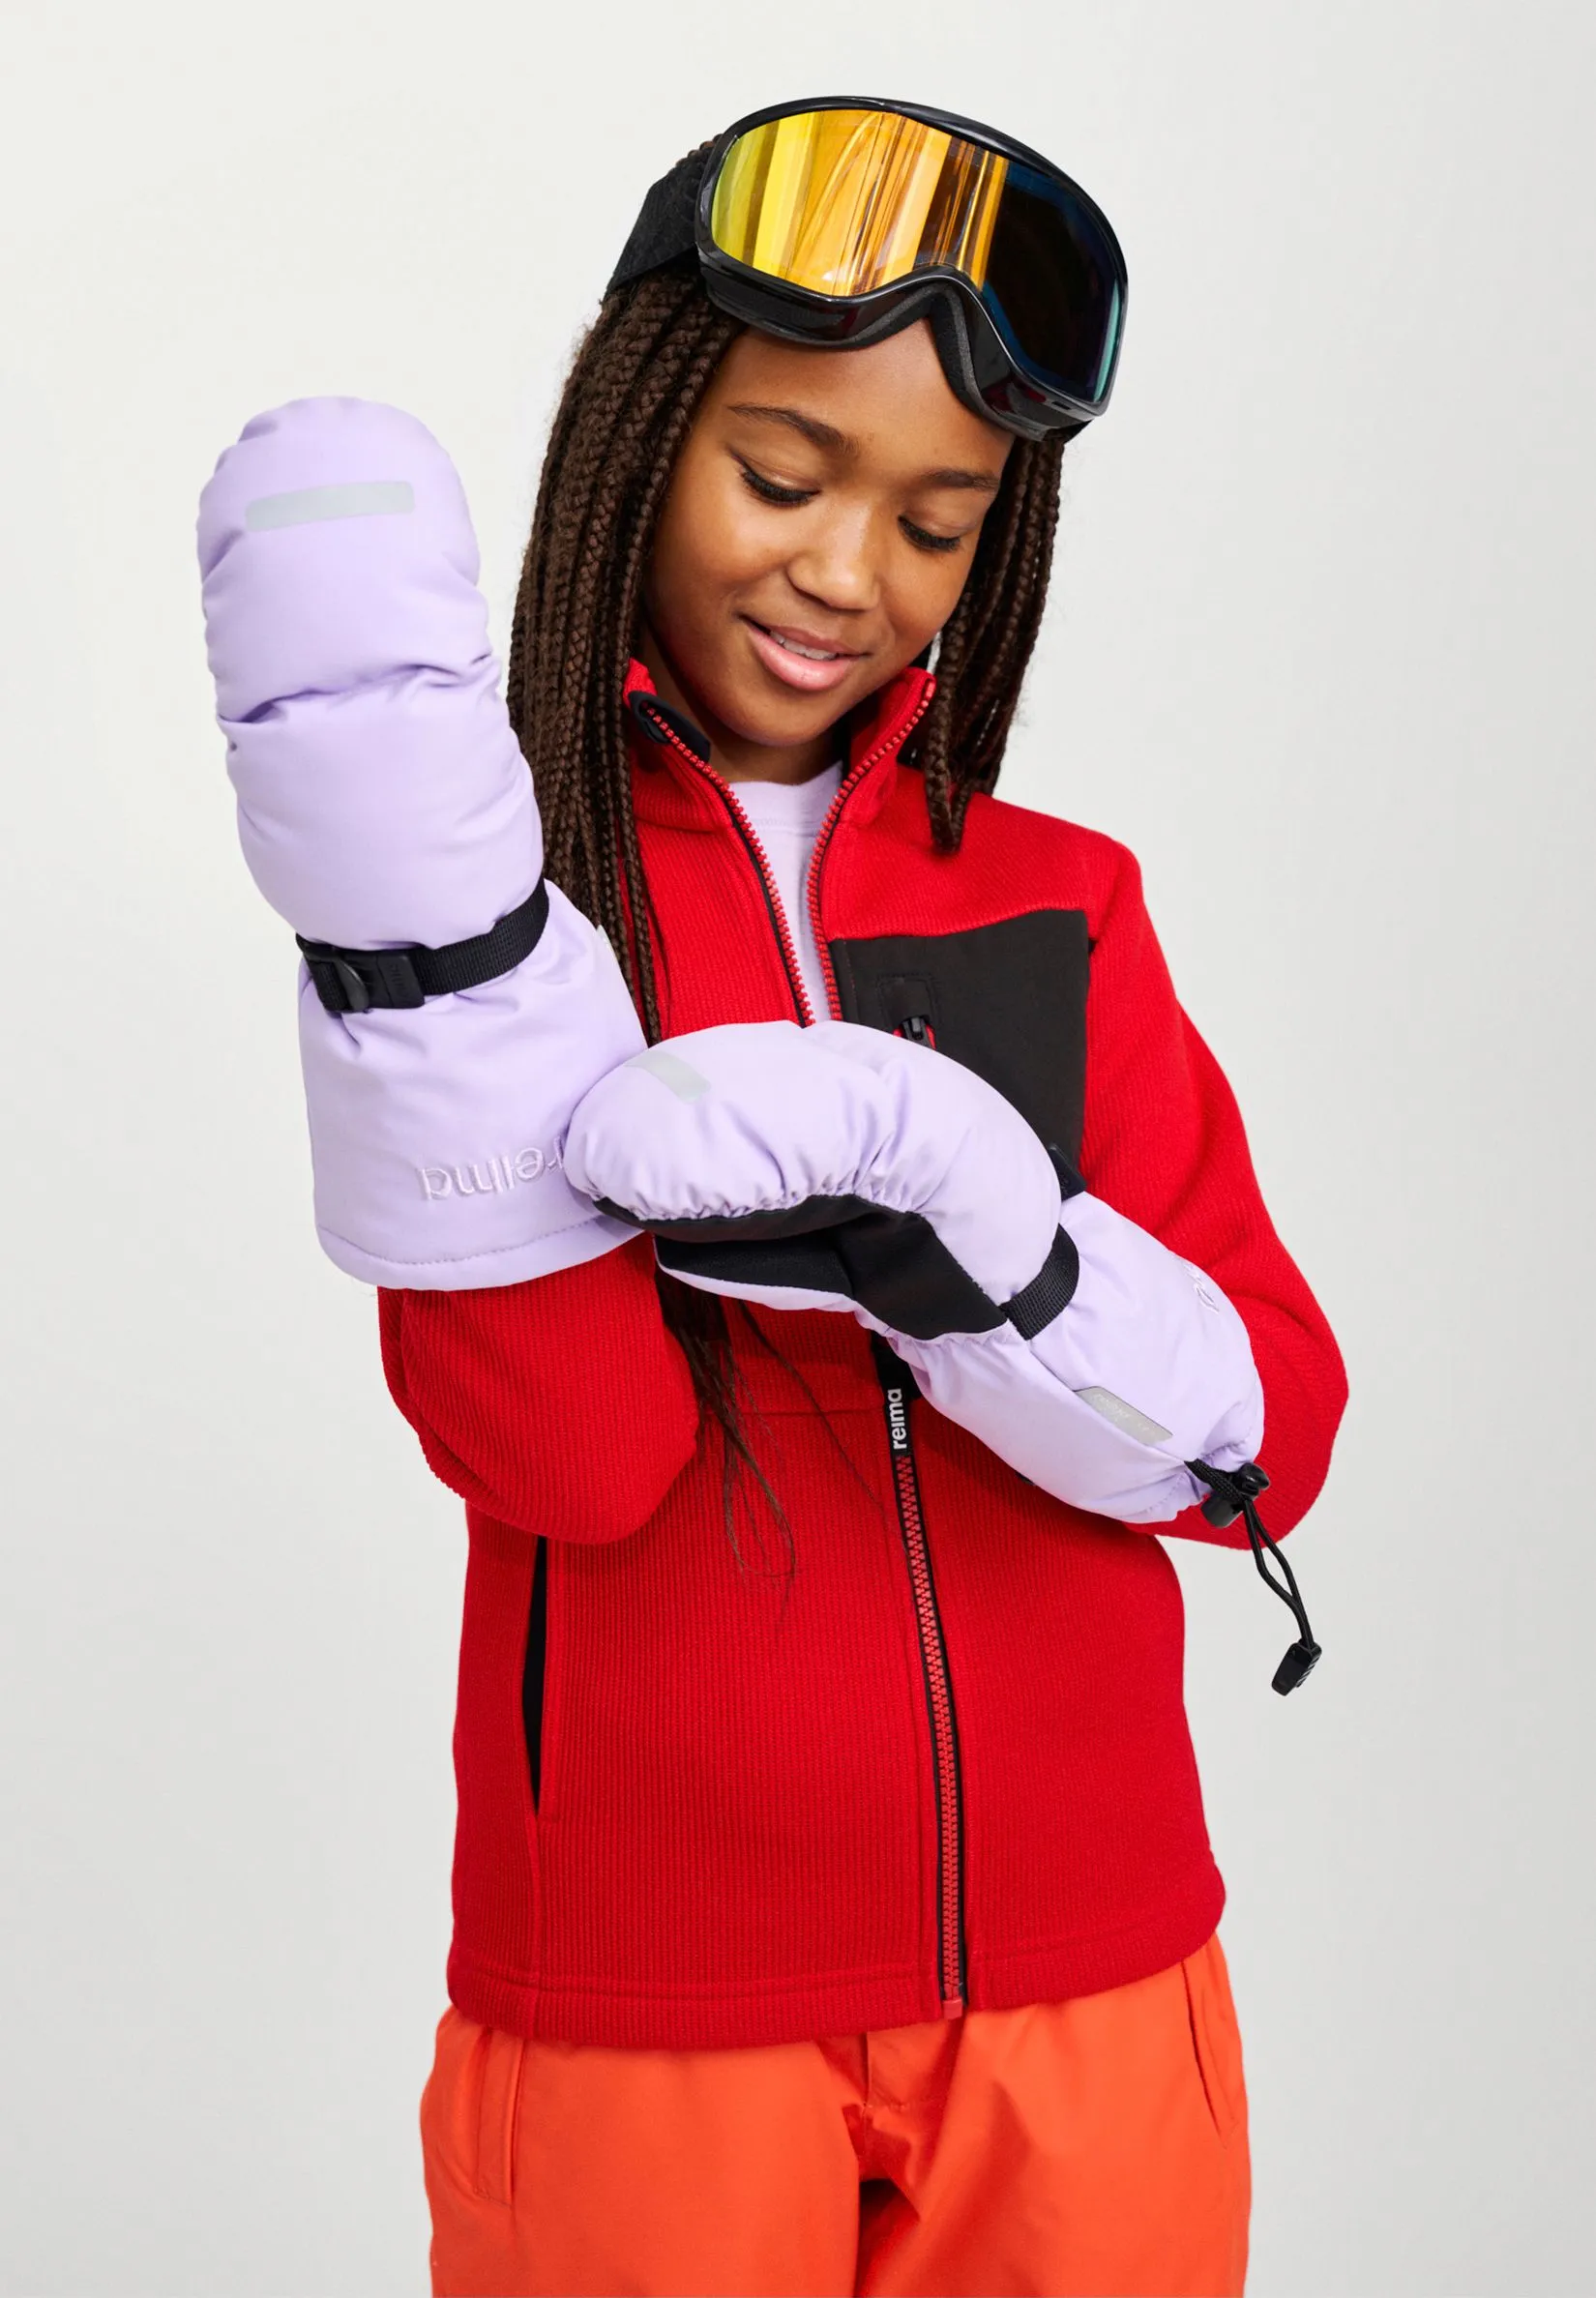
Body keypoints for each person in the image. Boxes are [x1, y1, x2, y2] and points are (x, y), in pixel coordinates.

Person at [197, 99, 1347, 2298]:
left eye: (936, 519)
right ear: (640, 437)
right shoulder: (508, 903)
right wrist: (430, 963)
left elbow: (1264, 1450)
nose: (848, 574)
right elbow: (576, 1461)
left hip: (1093, 1982)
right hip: (644, 2004)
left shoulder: (1060, 899)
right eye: (784, 475)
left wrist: (989, 1243)